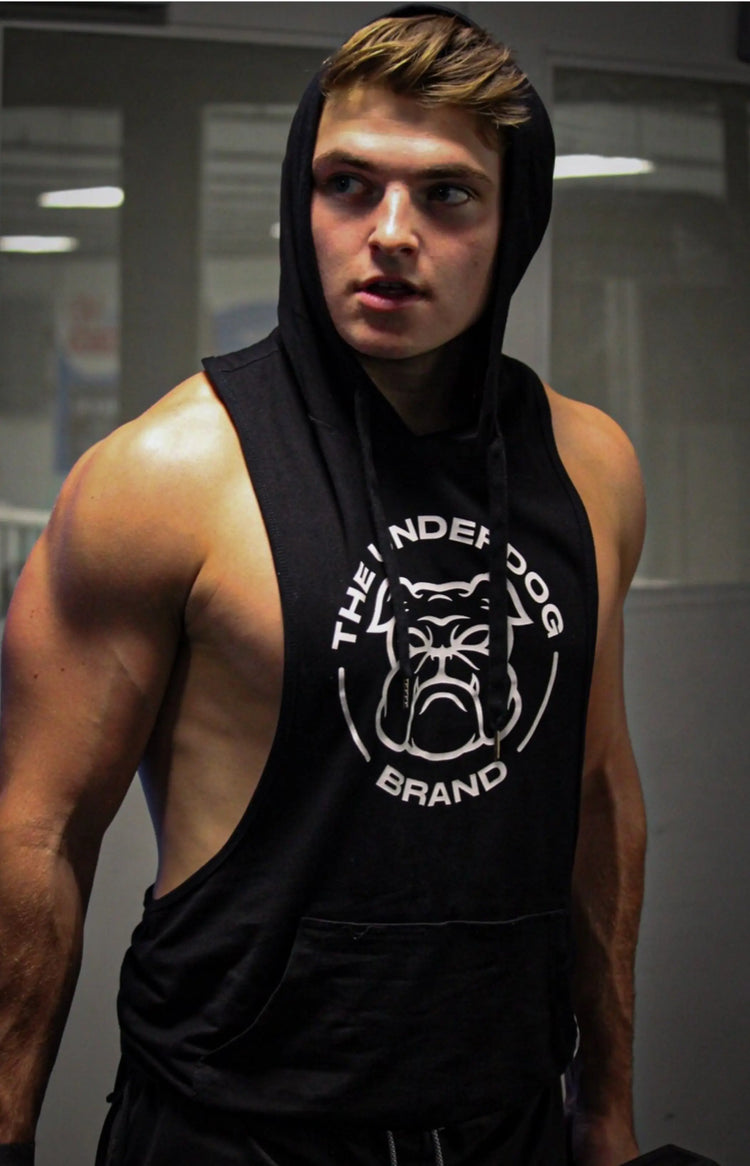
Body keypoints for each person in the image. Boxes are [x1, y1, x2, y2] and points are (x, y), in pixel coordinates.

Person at [0, 7, 647, 1165]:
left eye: (447, 195)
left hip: (506, 1119)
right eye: (348, 184)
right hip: (236, 1128)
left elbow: (596, 789)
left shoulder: (590, 466)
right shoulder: (167, 476)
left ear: (514, 222)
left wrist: (606, 1108)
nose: (389, 232)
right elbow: (39, 831)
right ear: (302, 200)